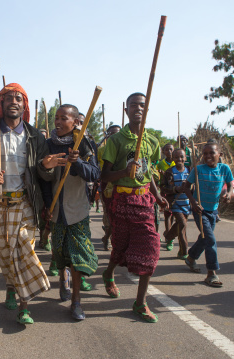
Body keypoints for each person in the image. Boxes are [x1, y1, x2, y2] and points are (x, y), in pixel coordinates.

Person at [0, 83, 54, 324]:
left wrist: (46, 167)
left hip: (24, 204)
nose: (14, 102)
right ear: (1, 104)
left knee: (24, 251)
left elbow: (43, 173)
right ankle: (11, 287)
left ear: (24, 105)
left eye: (19, 98)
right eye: (9, 98)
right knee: (5, 254)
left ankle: (24, 306)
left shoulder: (34, 136)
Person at [101, 93, 168, 323]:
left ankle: (140, 303)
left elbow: (150, 174)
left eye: (143, 105)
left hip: (145, 203)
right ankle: (108, 273)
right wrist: (124, 172)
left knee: (151, 248)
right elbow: (104, 175)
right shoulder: (117, 140)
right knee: (120, 246)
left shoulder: (152, 141)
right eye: (133, 105)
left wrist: (158, 196)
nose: (138, 108)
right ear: (126, 110)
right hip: (121, 200)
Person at [41, 104, 100, 320]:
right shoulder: (47, 144)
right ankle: (62, 280)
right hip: (56, 210)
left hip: (78, 210)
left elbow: (94, 173)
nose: (58, 122)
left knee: (77, 256)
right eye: (56, 117)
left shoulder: (84, 144)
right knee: (60, 253)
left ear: (75, 122)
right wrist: (47, 205)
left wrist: (77, 164)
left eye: (63, 118)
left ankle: (76, 301)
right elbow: (43, 178)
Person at [183, 142, 233, 287]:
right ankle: (211, 273)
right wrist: (193, 202)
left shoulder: (224, 169)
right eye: (205, 154)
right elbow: (186, 187)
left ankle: (191, 257)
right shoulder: (198, 170)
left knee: (204, 238)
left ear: (220, 155)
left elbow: (230, 184)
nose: (208, 156)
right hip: (200, 210)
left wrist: (228, 195)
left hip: (213, 210)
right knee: (210, 239)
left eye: (212, 153)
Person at [160, 148, 190, 257]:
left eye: (182, 157)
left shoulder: (190, 171)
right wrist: (175, 189)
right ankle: (184, 252)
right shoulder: (169, 172)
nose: (179, 159)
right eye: (176, 157)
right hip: (175, 204)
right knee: (182, 223)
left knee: (182, 227)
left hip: (187, 204)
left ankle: (168, 236)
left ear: (185, 158)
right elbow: (163, 187)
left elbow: (194, 187)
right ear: (173, 158)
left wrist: (190, 187)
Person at [97, 125, 121, 250]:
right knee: (108, 213)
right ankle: (108, 237)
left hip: (121, 185)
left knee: (117, 215)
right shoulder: (101, 150)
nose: (114, 136)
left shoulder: (124, 149)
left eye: (117, 133)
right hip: (106, 186)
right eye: (111, 134)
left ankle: (108, 237)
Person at [157, 143, 175, 237]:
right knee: (167, 213)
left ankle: (169, 232)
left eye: (171, 149)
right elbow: (157, 177)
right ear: (163, 152)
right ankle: (168, 236)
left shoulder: (176, 163)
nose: (169, 152)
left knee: (173, 214)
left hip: (175, 192)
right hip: (165, 191)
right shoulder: (160, 164)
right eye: (167, 150)